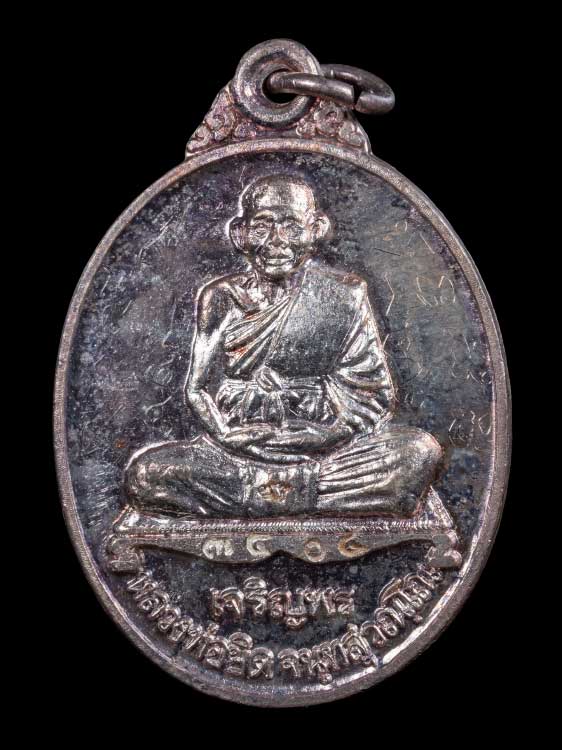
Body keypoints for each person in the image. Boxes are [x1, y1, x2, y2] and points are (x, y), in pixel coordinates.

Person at [125, 175, 442, 518]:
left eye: (291, 227)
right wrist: (225, 433)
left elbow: (372, 394)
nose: (276, 241)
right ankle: (307, 498)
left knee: (418, 453)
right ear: (240, 234)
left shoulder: (344, 295)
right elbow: (197, 388)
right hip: (237, 450)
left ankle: (257, 499)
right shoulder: (220, 297)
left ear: (316, 230)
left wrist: (327, 434)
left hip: (325, 450)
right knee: (146, 474)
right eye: (262, 227)